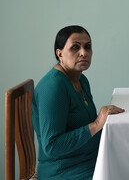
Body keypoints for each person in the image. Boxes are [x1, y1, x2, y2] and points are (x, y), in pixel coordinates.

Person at [32, 25, 124, 179]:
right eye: (75, 47)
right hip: (64, 170)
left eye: (88, 47)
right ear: (59, 54)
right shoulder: (54, 87)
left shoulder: (81, 79)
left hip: (88, 158)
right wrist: (96, 125)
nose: (83, 53)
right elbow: (52, 146)